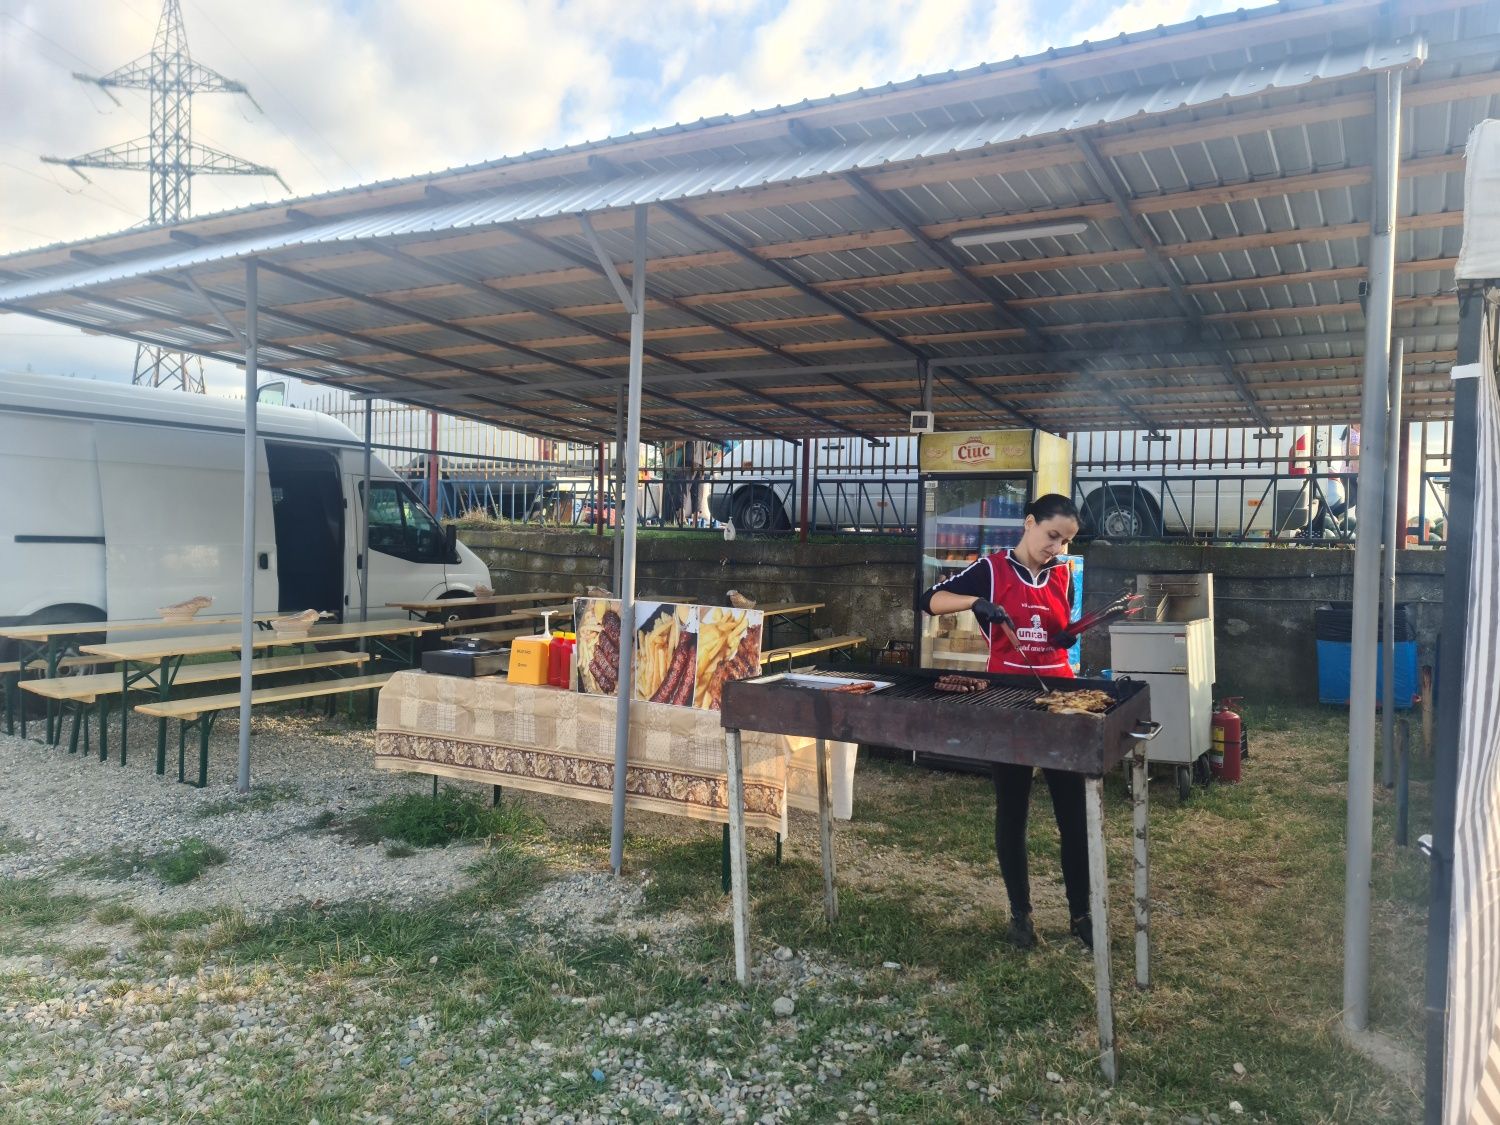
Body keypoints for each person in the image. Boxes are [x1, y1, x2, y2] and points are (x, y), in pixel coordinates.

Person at [917, 493, 1092, 950]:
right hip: (1006, 695)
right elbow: (928, 599)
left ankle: (1082, 913)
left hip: (1060, 696)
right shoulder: (992, 570)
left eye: (1066, 541)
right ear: (1029, 522)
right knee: (1012, 808)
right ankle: (1021, 915)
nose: (1057, 547)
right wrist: (976, 603)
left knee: (1072, 811)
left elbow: (1058, 629)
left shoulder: (1062, 574)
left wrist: (1062, 634)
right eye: (1052, 535)